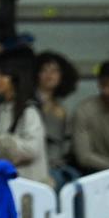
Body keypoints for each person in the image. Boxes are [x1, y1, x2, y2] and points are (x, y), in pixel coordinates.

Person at [0, 54, 50, 185]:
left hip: (30, 184)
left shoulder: (29, 111)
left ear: (14, 80)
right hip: (9, 182)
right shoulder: (2, 109)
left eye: (1, 76)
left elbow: (32, 149)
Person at [35, 51, 80, 190]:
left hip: (58, 164)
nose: (49, 75)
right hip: (38, 165)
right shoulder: (28, 104)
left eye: (55, 71)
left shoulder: (62, 108)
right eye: (44, 70)